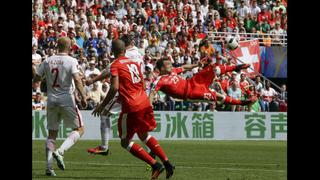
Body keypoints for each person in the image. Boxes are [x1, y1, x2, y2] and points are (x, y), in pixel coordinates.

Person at [92, 39, 175, 179]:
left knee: (125, 142)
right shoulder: (135, 63)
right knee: (144, 135)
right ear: (125, 50)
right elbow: (142, 84)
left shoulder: (115, 65)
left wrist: (102, 105)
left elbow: (114, 88)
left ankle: (155, 165)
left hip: (132, 106)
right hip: (144, 101)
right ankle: (167, 163)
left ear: (112, 51)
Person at [32, 37, 87, 177]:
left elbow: (36, 79)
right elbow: (77, 79)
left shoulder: (47, 60)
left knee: (52, 135)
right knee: (80, 129)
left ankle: (48, 168)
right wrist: (83, 96)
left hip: (51, 100)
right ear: (69, 48)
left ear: (57, 46)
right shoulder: (71, 61)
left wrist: (44, 80)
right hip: (67, 100)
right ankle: (60, 151)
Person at [149, 57, 254, 107]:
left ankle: (236, 67)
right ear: (162, 68)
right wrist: (149, 106)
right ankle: (242, 103)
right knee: (218, 96)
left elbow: (184, 67)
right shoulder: (160, 80)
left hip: (192, 82)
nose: (171, 66)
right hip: (191, 93)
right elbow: (152, 92)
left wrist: (197, 65)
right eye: (168, 65)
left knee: (213, 68)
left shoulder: (172, 71)